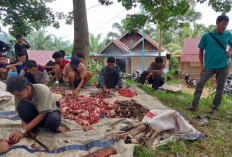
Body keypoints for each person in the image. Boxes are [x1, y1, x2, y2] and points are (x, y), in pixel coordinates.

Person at [184, 15, 232, 115]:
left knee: (220, 88)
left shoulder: (228, 34)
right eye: (223, 24)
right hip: (209, 66)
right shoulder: (207, 36)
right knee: (200, 83)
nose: (224, 27)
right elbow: (201, 51)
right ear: (217, 22)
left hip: (223, 66)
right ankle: (194, 105)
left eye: (226, 25)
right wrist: (202, 66)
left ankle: (214, 108)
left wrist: (230, 52)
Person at [6, 76, 67, 143]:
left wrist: (23, 130)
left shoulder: (42, 90)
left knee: (53, 120)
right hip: (34, 114)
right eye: (14, 95)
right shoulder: (18, 96)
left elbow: (42, 114)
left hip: (48, 113)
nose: (16, 97)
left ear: (27, 88)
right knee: (21, 106)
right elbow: (21, 113)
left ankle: (55, 127)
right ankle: (32, 129)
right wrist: (24, 128)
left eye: (18, 95)